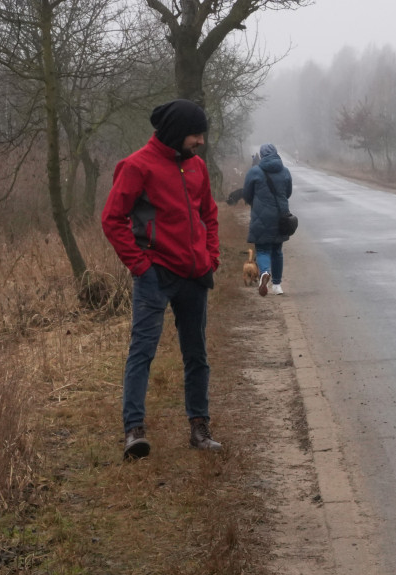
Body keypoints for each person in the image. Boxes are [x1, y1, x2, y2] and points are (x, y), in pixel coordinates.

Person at [101, 98, 222, 460]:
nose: (200, 141)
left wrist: (211, 257)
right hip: (154, 275)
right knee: (142, 352)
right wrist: (140, 266)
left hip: (194, 275)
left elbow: (210, 215)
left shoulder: (197, 167)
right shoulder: (137, 167)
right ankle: (134, 431)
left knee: (196, 354)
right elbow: (112, 219)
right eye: (195, 134)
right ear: (175, 133)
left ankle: (199, 429)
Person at [243, 143, 293, 296]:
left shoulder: (254, 172)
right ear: (276, 154)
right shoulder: (285, 171)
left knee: (263, 249)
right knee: (277, 250)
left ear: (262, 155)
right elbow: (288, 192)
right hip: (281, 217)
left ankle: (264, 272)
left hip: (260, 216)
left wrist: (256, 203)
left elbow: (246, 194)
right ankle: (277, 285)